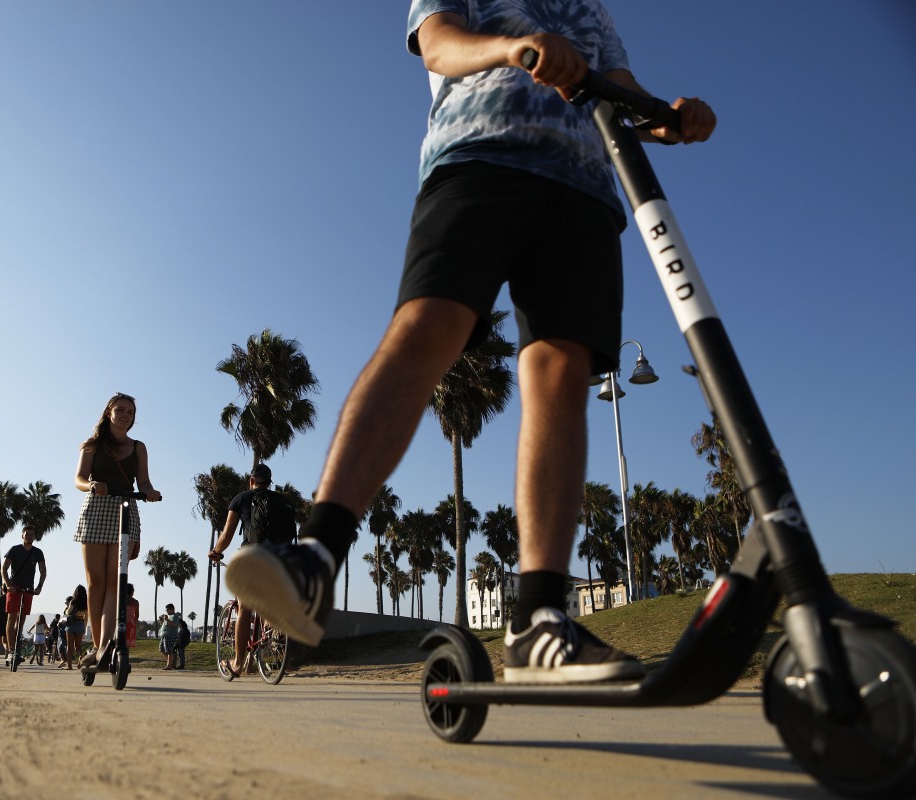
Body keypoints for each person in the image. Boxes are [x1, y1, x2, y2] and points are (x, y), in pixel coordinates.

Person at [225, 0, 715, 684]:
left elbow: (620, 89)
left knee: (561, 373)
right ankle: (316, 557)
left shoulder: (590, 11)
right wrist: (515, 50)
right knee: (429, 327)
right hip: (478, 156)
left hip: (584, 190)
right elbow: (439, 45)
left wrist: (665, 116)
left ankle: (540, 621)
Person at [72, 393, 162, 672]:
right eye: (120, 409)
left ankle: (104, 648)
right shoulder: (92, 445)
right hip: (96, 509)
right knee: (95, 582)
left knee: (116, 583)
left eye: (130, 412)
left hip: (125, 509)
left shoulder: (139, 447)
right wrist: (92, 485)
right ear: (109, 412)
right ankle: (97, 643)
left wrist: (150, 491)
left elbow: (144, 480)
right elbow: (78, 479)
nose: (125, 414)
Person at [209, 463, 296, 676]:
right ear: (269, 482)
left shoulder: (241, 498)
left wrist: (215, 551)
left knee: (245, 608)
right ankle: (274, 637)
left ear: (251, 481)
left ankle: (238, 663)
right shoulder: (283, 501)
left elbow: (227, 535)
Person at [2, 525, 47, 667]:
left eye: (32, 534)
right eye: (27, 534)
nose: (29, 536)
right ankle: (10, 650)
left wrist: (39, 586)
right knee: (11, 617)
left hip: (28, 589)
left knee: (21, 621)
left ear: (34, 537)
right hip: (14, 587)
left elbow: (43, 570)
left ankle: (17, 648)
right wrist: (8, 584)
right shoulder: (15, 550)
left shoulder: (38, 552)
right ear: (22, 535)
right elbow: (4, 568)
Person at [62, 586, 88, 669]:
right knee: (78, 646)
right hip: (80, 623)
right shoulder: (86, 603)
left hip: (71, 624)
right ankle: (81, 659)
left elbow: (69, 612)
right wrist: (84, 627)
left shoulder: (73, 601)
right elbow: (86, 617)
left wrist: (67, 607)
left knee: (70, 646)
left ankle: (69, 665)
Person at [158, 604, 181, 670]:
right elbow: (165, 625)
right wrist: (163, 621)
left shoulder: (175, 616)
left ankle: (169, 665)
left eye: (167, 610)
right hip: (164, 636)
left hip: (171, 635)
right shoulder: (168, 616)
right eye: (166, 610)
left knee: (169, 651)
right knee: (161, 649)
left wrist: (167, 620)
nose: (166, 611)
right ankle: (171, 662)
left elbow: (174, 625)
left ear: (172, 609)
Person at [124, 583, 140, 650]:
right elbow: (137, 615)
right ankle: (125, 658)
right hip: (131, 623)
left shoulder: (120, 600)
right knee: (127, 644)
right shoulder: (135, 602)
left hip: (120, 621)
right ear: (132, 591)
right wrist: (134, 622)